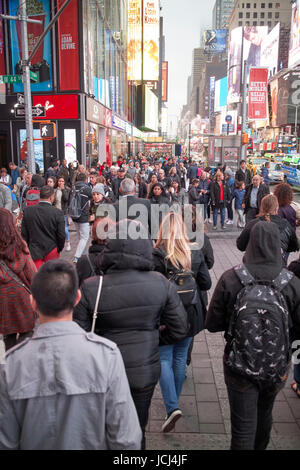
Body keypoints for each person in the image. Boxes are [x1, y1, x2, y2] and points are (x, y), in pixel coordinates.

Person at [0, 259, 142, 450]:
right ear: (77, 298)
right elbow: (127, 440)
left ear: (32, 302)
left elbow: (6, 442)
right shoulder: (106, 356)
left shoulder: (11, 366)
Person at [74, 220, 189, 449]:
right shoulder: (161, 283)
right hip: (143, 372)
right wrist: (153, 338)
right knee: (137, 428)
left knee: (102, 430)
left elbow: (78, 335)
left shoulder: (91, 286)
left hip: (103, 371)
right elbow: (180, 328)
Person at [206, 221, 300, 450]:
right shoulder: (292, 283)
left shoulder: (232, 278)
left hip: (240, 366)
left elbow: (212, 324)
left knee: (242, 426)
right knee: (265, 413)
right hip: (276, 365)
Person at [153, 212, 211, 432]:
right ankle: (172, 404)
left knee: (165, 358)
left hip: (166, 315)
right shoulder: (194, 251)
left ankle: (172, 407)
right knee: (179, 357)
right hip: (191, 313)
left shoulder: (157, 253)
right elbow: (206, 283)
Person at [0, 208, 37, 351]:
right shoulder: (19, 246)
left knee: (8, 336)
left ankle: (10, 365)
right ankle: (23, 366)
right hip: (21, 297)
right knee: (26, 334)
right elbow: (32, 274)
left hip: (3, 299)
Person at [237, 194, 299, 262]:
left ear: (261, 207)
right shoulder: (286, 225)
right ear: (277, 208)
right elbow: (294, 246)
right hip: (278, 266)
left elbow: (240, 245)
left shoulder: (252, 224)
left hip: (254, 265)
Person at [21, 185, 65, 269]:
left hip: (34, 250)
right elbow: (61, 235)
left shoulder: (28, 211)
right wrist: (59, 248)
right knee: (52, 275)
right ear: (52, 197)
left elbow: (24, 234)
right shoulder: (57, 213)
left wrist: (26, 249)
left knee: (37, 276)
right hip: (52, 249)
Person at [71, 173, 92, 264]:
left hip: (74, 215)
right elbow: (93, 199)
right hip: (83, 216)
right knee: (84, 237)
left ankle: (83, 256)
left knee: (80, 237)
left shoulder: (73, 188)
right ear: (85, 180)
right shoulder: (87, 189)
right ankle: (77, 257)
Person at [54, 176, 71, 252]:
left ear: (64, 182)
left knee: (65, 228)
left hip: (63, 212)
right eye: (59, 181)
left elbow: (66, 199)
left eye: (62, 181)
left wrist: (63, 189)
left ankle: (68, 242)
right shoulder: (55, 190)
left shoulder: (67, 190)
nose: (60, 183)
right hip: (55, 211)